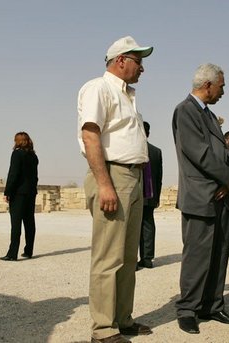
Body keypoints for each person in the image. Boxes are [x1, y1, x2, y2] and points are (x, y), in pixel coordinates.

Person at [77, 36, 153, 343]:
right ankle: (103, 329)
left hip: (132, 178)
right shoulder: (99, 87)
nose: (142, 69)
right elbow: (90, 136)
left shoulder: (128, 96)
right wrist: (105, 184)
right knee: (108, 257)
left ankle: (123, 318)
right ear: (120, 60)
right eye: (138, 62)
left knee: (126, 256)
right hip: (113, 175)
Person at [172, 63, 229, 335]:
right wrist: (228, 178)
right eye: (222, 86)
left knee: (220, 253)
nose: (223, 91)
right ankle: (187, 309)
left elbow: (225, 154)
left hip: (220, 195)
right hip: (200, 197)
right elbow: (198, 153)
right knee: (197, 257)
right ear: (208, 84)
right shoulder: (185, 111)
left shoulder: (210, 116)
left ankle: (212, 306)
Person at [0, 132, 39, 261]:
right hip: (31, 193)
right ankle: (28, 251)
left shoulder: (17, 154)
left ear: (17, 141)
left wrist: (7, 192)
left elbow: (13, 174)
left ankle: (12, 254)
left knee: (16, 224)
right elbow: (35, 177)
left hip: (18, 194)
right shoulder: (33, 156)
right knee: (29, 222)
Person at [138, 121, 162, 269]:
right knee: (148, 225)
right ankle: (147, 258)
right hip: (151, 195)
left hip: (136, 195)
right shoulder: (156, 151)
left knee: (133, 227)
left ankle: (132, 260)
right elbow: (159, 177)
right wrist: (157, 197)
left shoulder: (132, 149)